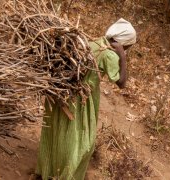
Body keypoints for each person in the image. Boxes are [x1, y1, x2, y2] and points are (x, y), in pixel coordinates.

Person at [35, 18, 137, 179]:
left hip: (66, 92)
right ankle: (66, 175)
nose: (129, 49)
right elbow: (122, 83)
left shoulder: (95, 42)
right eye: (129, 46)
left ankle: (48, 171)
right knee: (80, 143)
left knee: (59, 132)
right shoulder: (110, 55)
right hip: (82, 100)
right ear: (123, 43)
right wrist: (123, 57)